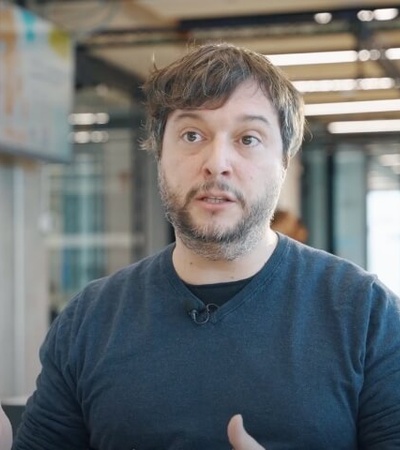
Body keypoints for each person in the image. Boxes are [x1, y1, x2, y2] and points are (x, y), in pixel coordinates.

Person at [13, 42, 400, 449]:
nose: (217, 162)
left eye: (248, 138)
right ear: (159, 152)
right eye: (192, 134)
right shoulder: (90, 321)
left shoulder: (365, 315)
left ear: (285, 160)